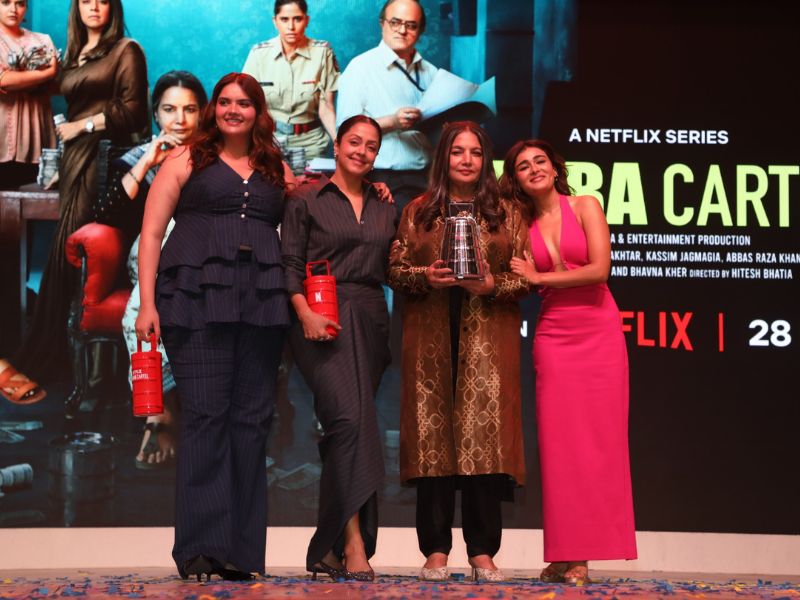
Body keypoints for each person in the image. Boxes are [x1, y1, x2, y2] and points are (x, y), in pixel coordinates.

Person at [135, 72, 293, 581]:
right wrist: (147, 305)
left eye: (243, 103)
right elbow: (151, 233)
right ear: (213, 109)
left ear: (258, 111)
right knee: (205, 417)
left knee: (251, 422)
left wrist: (370, 187)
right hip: (193, 302)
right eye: (224, 101)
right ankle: (200, 549)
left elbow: (312, 211)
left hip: (261, 305)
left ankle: (241, 553)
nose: (232, 110)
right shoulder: (186, 159)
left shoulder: (274, 165)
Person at [388, 121, 530, 582]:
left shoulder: (507, 213)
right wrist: (425, 277)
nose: (466, 160)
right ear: (443, 158)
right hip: (430, 339)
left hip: (488, 340)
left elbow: (525, 277)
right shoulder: (418, 211)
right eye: (457, 152)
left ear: (485, 160)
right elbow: (395, 270)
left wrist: (491, 285)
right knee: (432, 446)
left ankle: (482, 552)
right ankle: (435, 551)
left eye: (475, 152)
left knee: (484, 445)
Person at [502, 139, 637, 584]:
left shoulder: (585, 205)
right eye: (523, 166)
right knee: (560, 449)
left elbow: (600, 270)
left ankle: (582, 555)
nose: (534, 169)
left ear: (555, 168)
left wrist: (539, 275)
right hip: (554, 335)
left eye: (540, 161)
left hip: (598, 330)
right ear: (516, 179)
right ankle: (566, 553)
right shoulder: (520, 224)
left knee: (598, 446)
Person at [7, 0, 148, 394]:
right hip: (73, 159)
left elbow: (135, 112)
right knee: (62, 251)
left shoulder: (127, 50)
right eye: (86, 1)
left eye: (102, 1)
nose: (94, 7)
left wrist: (82, 126)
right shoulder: (74, 53)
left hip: (102, 159)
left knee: (75, 251)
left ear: (113, 8)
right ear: (77, 8)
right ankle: (57, 357)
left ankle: (66, 365)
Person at [282, 115, 397, 582]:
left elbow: (393, 266)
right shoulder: (306, 198)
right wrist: (303, 314)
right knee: (348, 421)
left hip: (371, 318)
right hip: (321, 318)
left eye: (371, 146)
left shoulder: (386, 205)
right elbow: (290, 264)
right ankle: (352, 543)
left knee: (355, 425)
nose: (361, 151)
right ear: (337, 144)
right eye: (354, 141)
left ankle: (329, 548)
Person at [92, 70, 208, 468]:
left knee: (142, 309)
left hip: (202, 258)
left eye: (190, 109)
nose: (180, 119)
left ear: (203, 112)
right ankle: (161, 408)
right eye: (170, 109)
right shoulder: (138, 156)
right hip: (151, 255)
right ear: (156, 113)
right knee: (147, 296)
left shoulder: (216, 156)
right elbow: (105, 214)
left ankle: (160, 407)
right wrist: (147, 161)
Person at [337, 0, 437, 208]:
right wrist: (393, 122)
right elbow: (345, 130)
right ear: (382, 23)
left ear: (420, 31)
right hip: (380, 177)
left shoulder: (431, 72)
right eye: (395, 22)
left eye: (411, 25)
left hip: (427, 176)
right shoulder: (360, 67)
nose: (402, 30)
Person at [243, 0, 339, 162]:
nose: (291, 27)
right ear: (275, 21)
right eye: (284, 19)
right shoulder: (259, 54)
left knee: (310, 180)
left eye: (297, 19)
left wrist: (339, 142)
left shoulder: (323, 52)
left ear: (306, 20)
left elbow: (327, 106)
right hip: (269, 141)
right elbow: (246, 103)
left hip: (311, 143)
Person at [0, 0, 58, 190]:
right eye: (5, 2)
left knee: (34, 200)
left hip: (37, 135)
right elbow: (4, 80)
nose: (13, 9)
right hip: (2, 137)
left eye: (20, 3)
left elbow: (58, 85)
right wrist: (46, 74)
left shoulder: (42, 40)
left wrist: (22, 79)